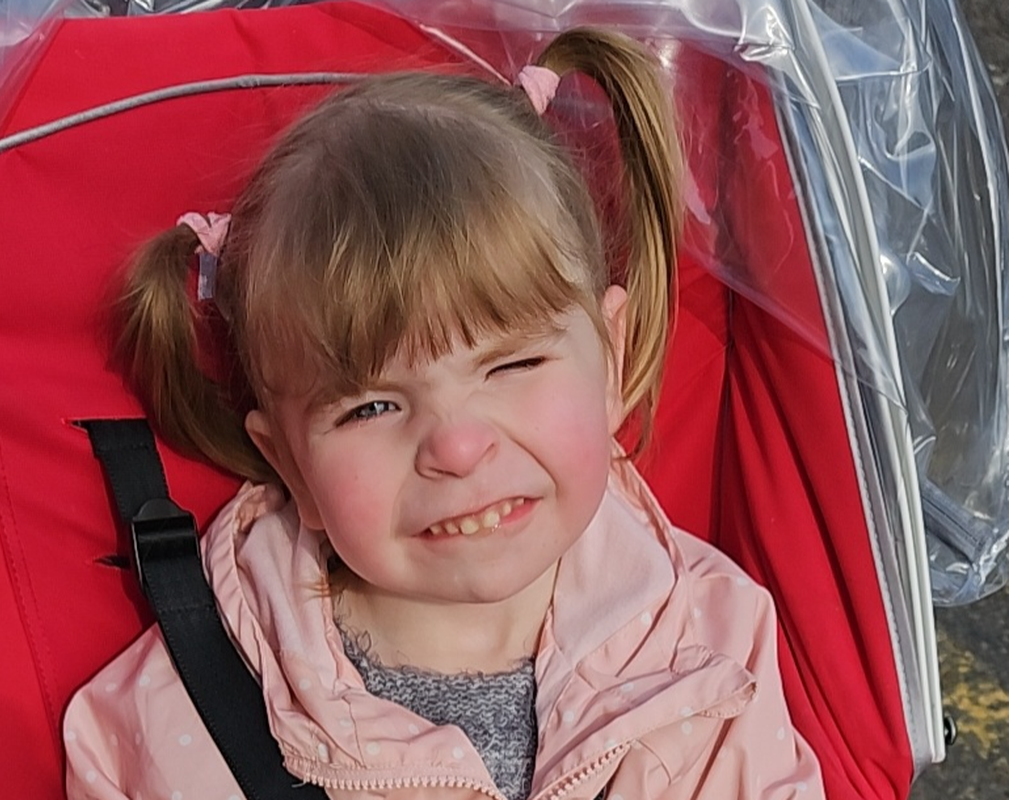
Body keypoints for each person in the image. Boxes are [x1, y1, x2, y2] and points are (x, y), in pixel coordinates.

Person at [64, 25, 824, 800]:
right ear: (288, 460)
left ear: (611, 360)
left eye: (512, 364)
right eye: (372, 406)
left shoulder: (708, 644)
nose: (457, 446)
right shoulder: (185, 715)